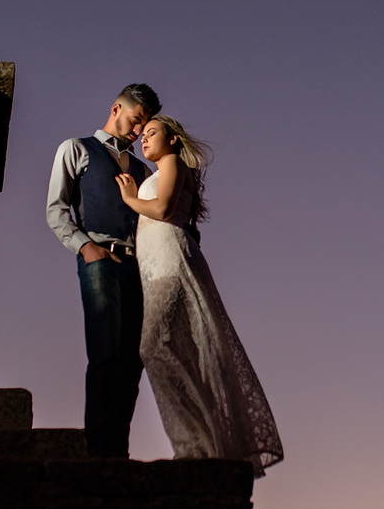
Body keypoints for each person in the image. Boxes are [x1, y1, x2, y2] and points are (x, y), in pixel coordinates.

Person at [115, 116, 283, 477]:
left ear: (173, 140)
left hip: (170, 263)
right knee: (177, 349)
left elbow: (161, 210)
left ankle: (195, 446)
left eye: (152, 133)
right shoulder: (163, 168)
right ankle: (202, 445)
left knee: (153, 346)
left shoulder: (172, 163)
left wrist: (130, 198)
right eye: (142, 135)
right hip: (156, 265)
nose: (144, 140)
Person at [46, 84, 161, 458]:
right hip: (100, 262)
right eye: (135, 120)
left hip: (140, 269)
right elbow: (56, 208)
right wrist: (86, 247)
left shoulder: (143, 169)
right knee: (105, 352)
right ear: (116, 108)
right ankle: (98, 450)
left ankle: (118, 450)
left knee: (132, 361)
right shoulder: (76, 148)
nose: (138, 131)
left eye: (144, 125)